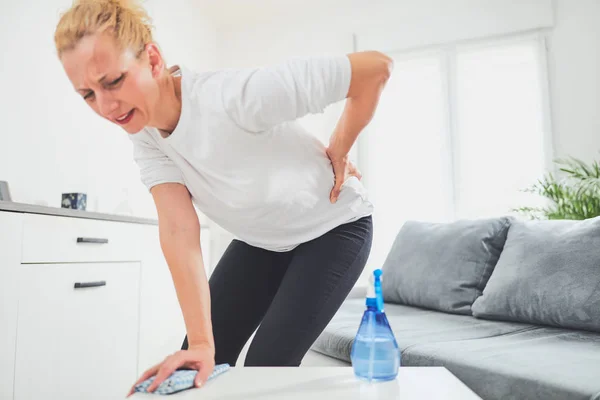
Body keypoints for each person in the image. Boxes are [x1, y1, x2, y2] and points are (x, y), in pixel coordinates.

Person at [54, 0, 392, 395]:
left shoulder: (237, 97)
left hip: (334, 228)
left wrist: (339, 147)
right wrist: (201, 343)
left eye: (113, 81)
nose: (106, 107)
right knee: (195, 362)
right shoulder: (145, 136)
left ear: (153, 58)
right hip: (263, 240)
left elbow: (375, 69)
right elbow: (179, 230)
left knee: (268, 364)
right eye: (88, 95)